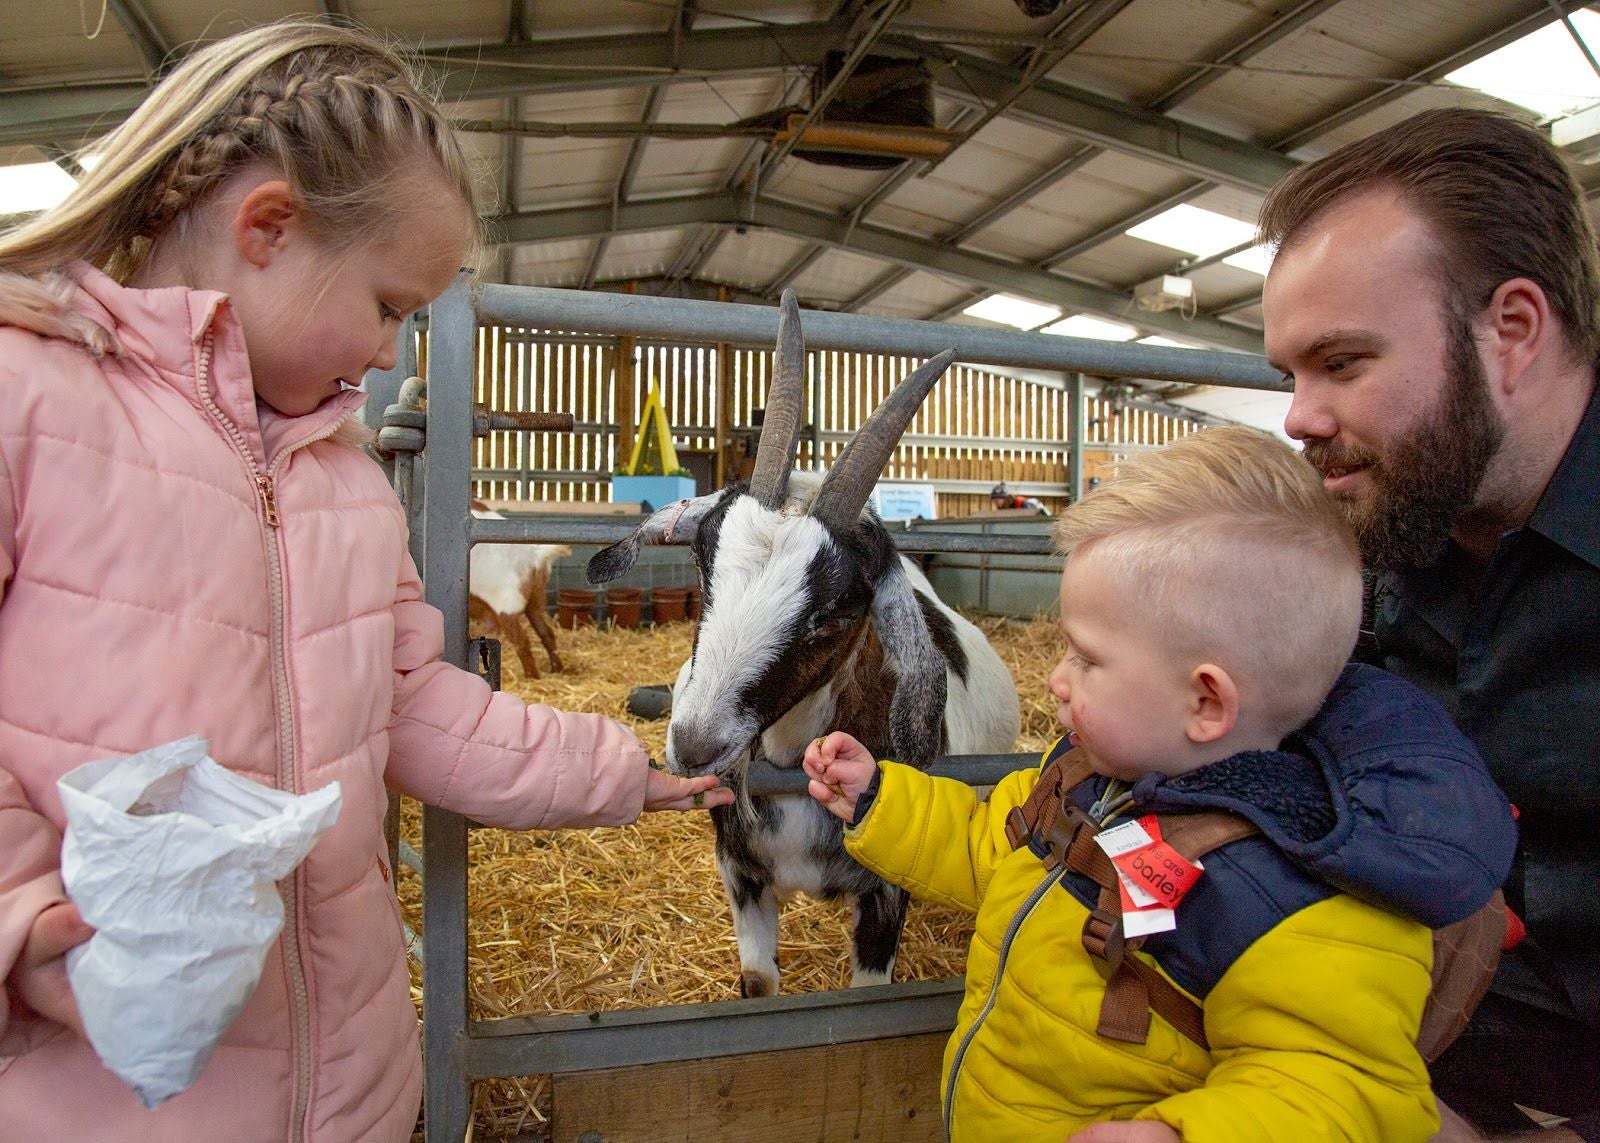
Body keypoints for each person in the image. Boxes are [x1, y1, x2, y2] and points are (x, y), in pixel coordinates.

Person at [0, 21, 731, 1142]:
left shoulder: (343, 485)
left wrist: (613, 773)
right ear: (269, 227)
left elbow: (411, 703)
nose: (391, 354)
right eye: (389, 306)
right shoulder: (29, 402)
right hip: (105, 1089)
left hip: (351, 1081)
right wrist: (18, 916)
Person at [804, 427, 1515, 1142]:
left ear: (1204, 703)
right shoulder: (1093, 774)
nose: (1055, 678)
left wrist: (1179, 1135)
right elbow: (993, 841)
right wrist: (880, 798)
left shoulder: (1298, 897)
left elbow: (1333, 1089)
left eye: (1087, 658)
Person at [1260, 107, 1600, 1141]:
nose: (1296, 417)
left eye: (1342, 363)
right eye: (1289, 374)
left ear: (1510, 331)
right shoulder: (1370, 554)